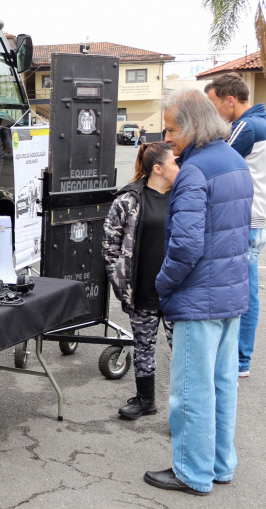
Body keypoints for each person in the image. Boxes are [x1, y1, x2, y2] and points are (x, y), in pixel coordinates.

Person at [144, 90, 252, 495]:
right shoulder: (234, 161)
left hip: (198, 297)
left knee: (191, 391)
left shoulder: (194, 172)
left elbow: (186, 246)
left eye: (172, 128)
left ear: (191, 125)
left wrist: (163, 283)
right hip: (230, 295)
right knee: (223, 384)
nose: (167, 137)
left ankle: (192, 472)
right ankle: (220, 464)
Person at [204, 73, 266, 378]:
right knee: (246, 292)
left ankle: (239, 362)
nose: (213, 113)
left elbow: (214, 158)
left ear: (230, 100)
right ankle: (239, 359)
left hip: (243, 222)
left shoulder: (246, 126)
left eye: (213, 105)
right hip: (256, 220)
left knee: (242, 295)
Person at [103, 142, 177, 420]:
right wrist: (121, 284)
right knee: (144, 346)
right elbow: (110, 246)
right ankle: (145, 400)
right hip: (142, 291)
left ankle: (185, 415)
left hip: (175, 293)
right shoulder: (128, 200)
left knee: (182, 354)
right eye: (174, 162)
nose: (179, 167)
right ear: (158, 168)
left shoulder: (184, 196)